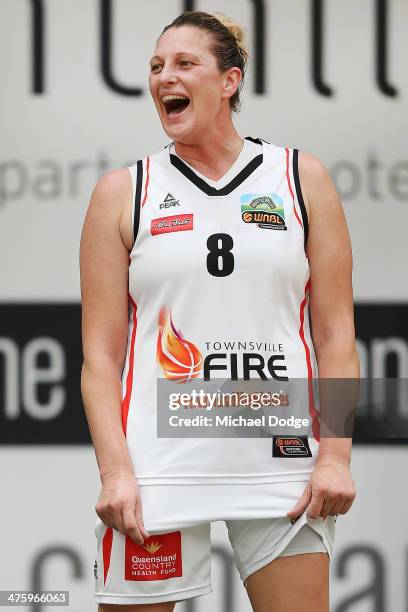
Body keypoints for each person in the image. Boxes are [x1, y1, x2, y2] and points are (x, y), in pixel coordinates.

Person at [80, 10, 359, 612]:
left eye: (184, 64)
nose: (163, 78)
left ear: (230, 81)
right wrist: (115, 473)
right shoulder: (123, 191)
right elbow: (99, 358)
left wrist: (336, 456)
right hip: (158, 465)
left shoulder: (299, 178)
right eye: (156, 67)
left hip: (280, 458)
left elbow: (337, 334)